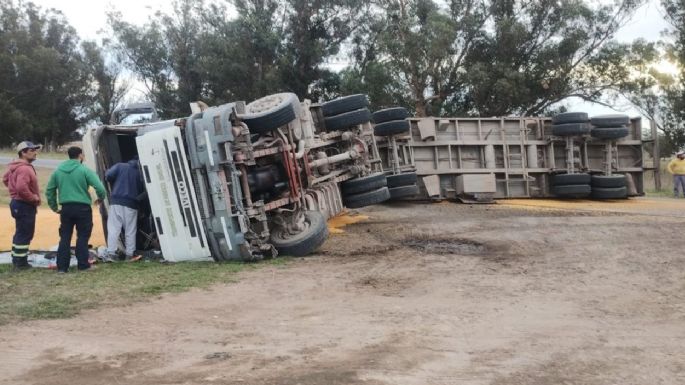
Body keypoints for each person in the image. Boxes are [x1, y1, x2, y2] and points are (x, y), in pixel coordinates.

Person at [46, 146, 106, 273]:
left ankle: (62, 267)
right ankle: (83, 265)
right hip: (83, 208)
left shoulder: (58, 171)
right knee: (83, 236)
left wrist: (54, 207)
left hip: (66, 208)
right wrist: (101, 198)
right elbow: (100, 187)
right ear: (80, 155)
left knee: (65, 237)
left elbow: (49, 190)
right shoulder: (84, 170)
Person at [2, 141, 42, 270]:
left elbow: (5, 179)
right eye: (32, 150)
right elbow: (21, 187)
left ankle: (17, 259)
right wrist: (33, 198)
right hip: (24, 205)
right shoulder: (24, 168)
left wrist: (13, 192)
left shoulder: (15, 166)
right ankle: (21, 263)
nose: (35, 153)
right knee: (25, 233)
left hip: (17, 203)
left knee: (20, 232)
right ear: (23, 153)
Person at [104, 157, 145, 261]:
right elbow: (142, 191)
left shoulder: (120, 166)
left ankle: (111, 253)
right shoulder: (141, 173)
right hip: (132, 204)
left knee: (113, 228)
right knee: (130, 230)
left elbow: (108, 176)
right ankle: (129, 255)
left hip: (116, 201)